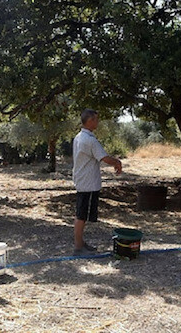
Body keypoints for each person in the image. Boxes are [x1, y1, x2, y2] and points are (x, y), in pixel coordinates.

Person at [72, 109, 122, 255]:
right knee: (82, 214)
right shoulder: (90, 140)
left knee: (82, 213)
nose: (97, 122)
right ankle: (78, 247)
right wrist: (117, 162)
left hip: (83, 180)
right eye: (96, 120)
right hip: (87, 182)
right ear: (90, 121)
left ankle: (80, 243)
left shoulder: (79, 137)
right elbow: (104, 158)